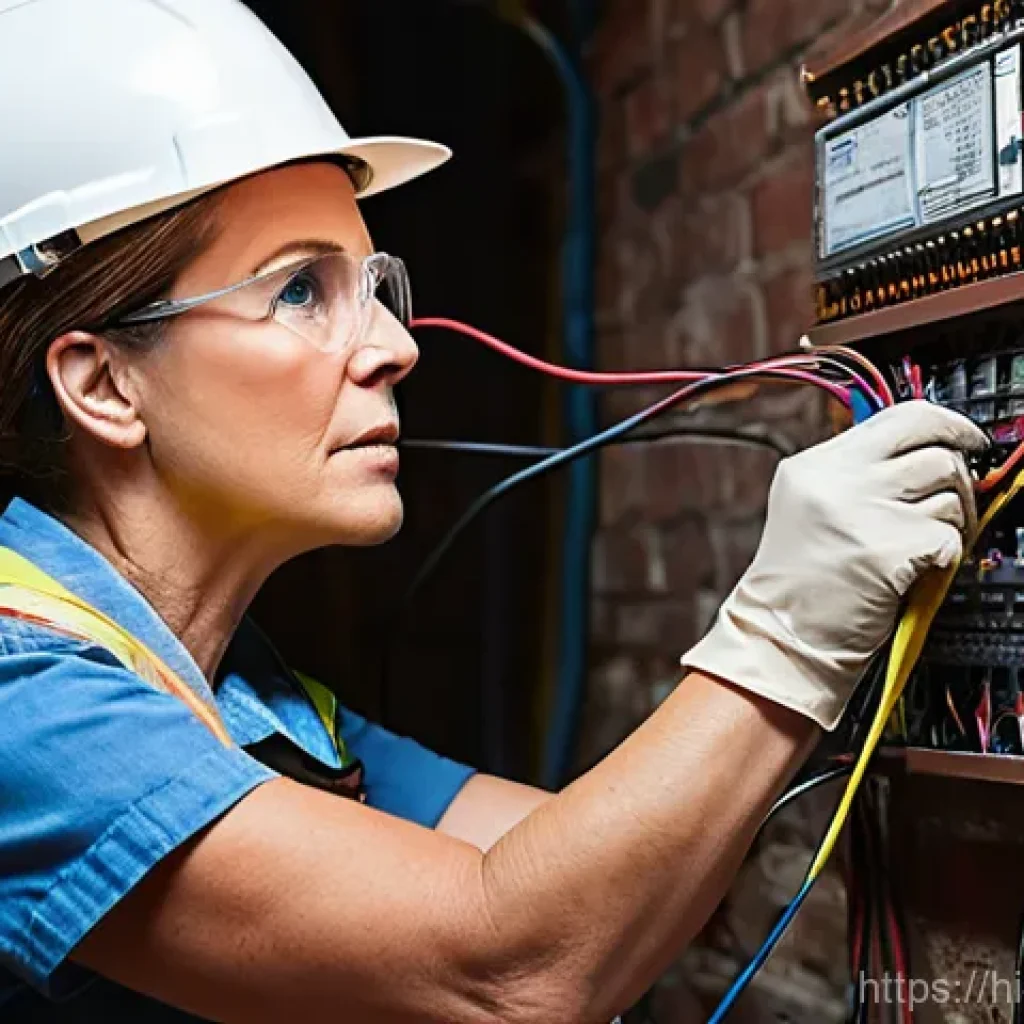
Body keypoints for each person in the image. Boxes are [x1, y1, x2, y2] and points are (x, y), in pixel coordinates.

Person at [0, 1, 986, 1021]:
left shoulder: (261, 708)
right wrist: (786, 631)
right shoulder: (18, 705)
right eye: (299, 290)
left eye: (373, 284)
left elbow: (621, 889)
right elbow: (514, 964)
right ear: (106, 386)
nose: (395, 344)